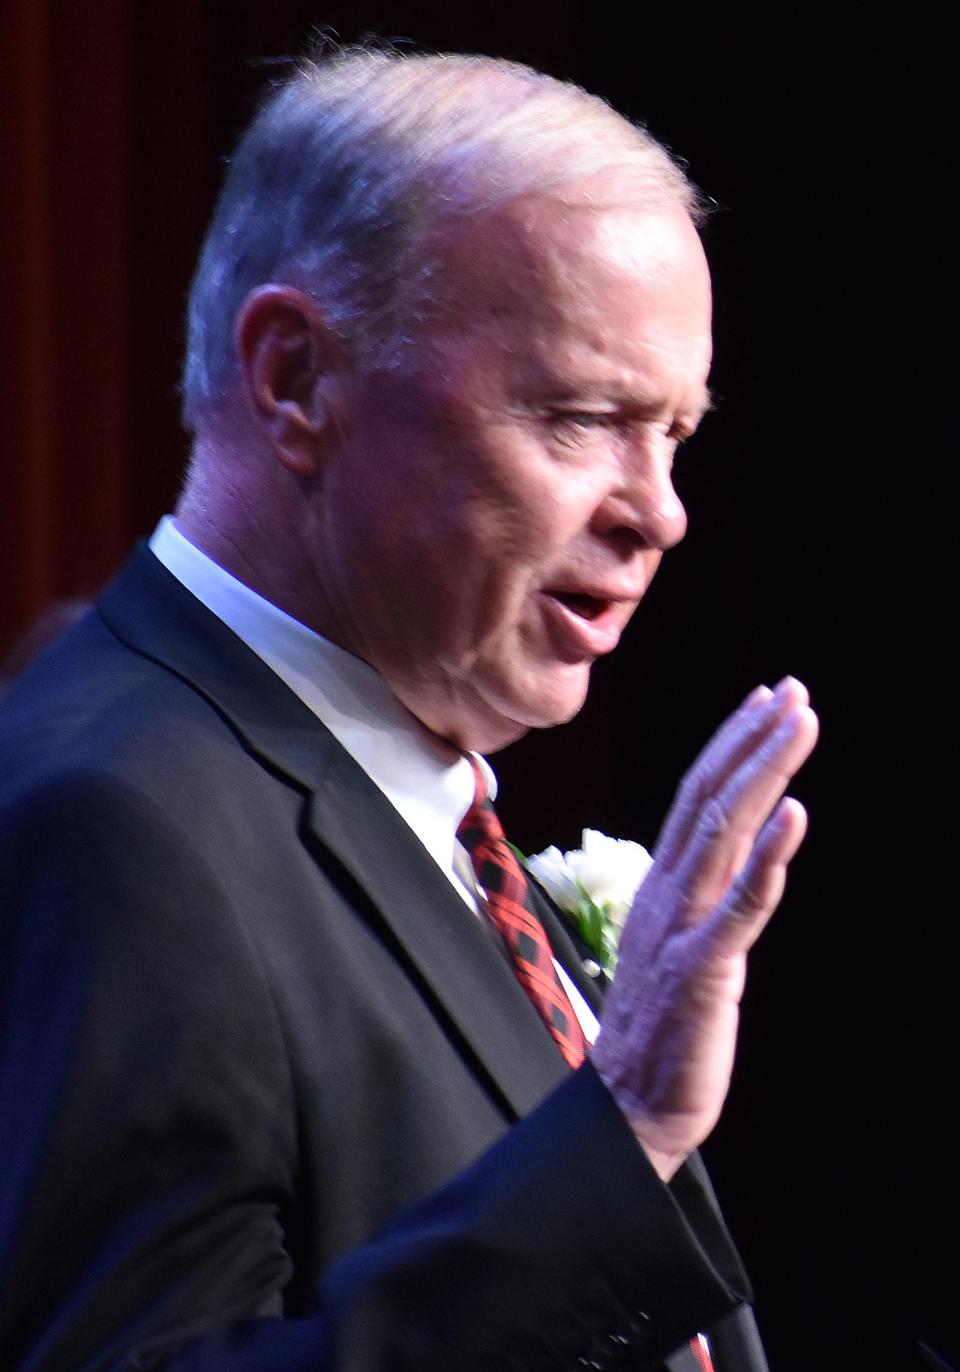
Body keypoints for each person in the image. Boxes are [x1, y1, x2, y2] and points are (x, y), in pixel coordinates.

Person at [0, 47, 817, 1372]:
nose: (659, 512)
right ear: (296, 380)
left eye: (674, 431)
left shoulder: (406, 799)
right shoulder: (116, 822)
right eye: (580, 416)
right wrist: (624, 1133)